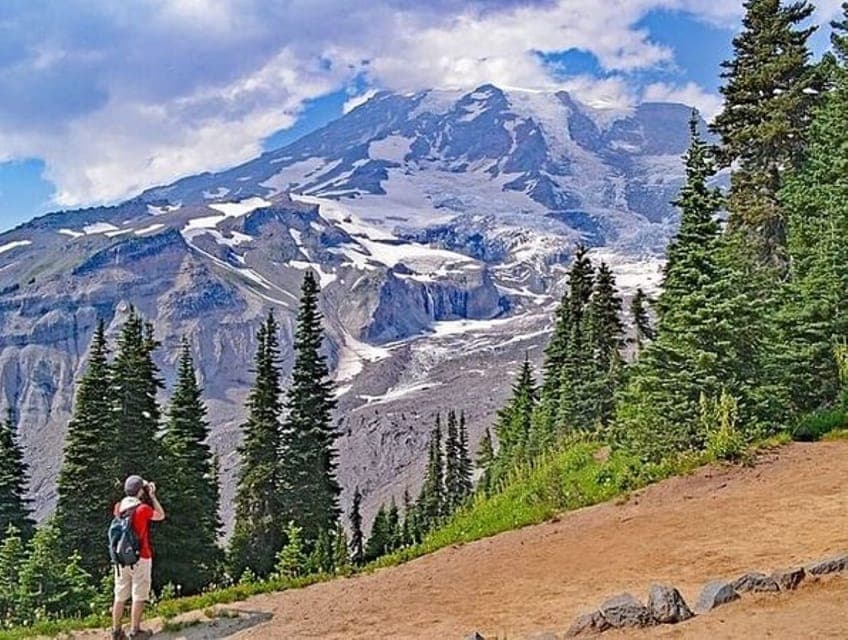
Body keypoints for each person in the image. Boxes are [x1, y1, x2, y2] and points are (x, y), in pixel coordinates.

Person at [111, 475, 165, 640]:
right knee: (138, 594)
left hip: (121, 558)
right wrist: (153, 496)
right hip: (141, 556)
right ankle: (135, 631)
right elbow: (160, 515)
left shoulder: (118, 507)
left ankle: (116, 631)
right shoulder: (142, 509)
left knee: (119, 596)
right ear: (140, 490)